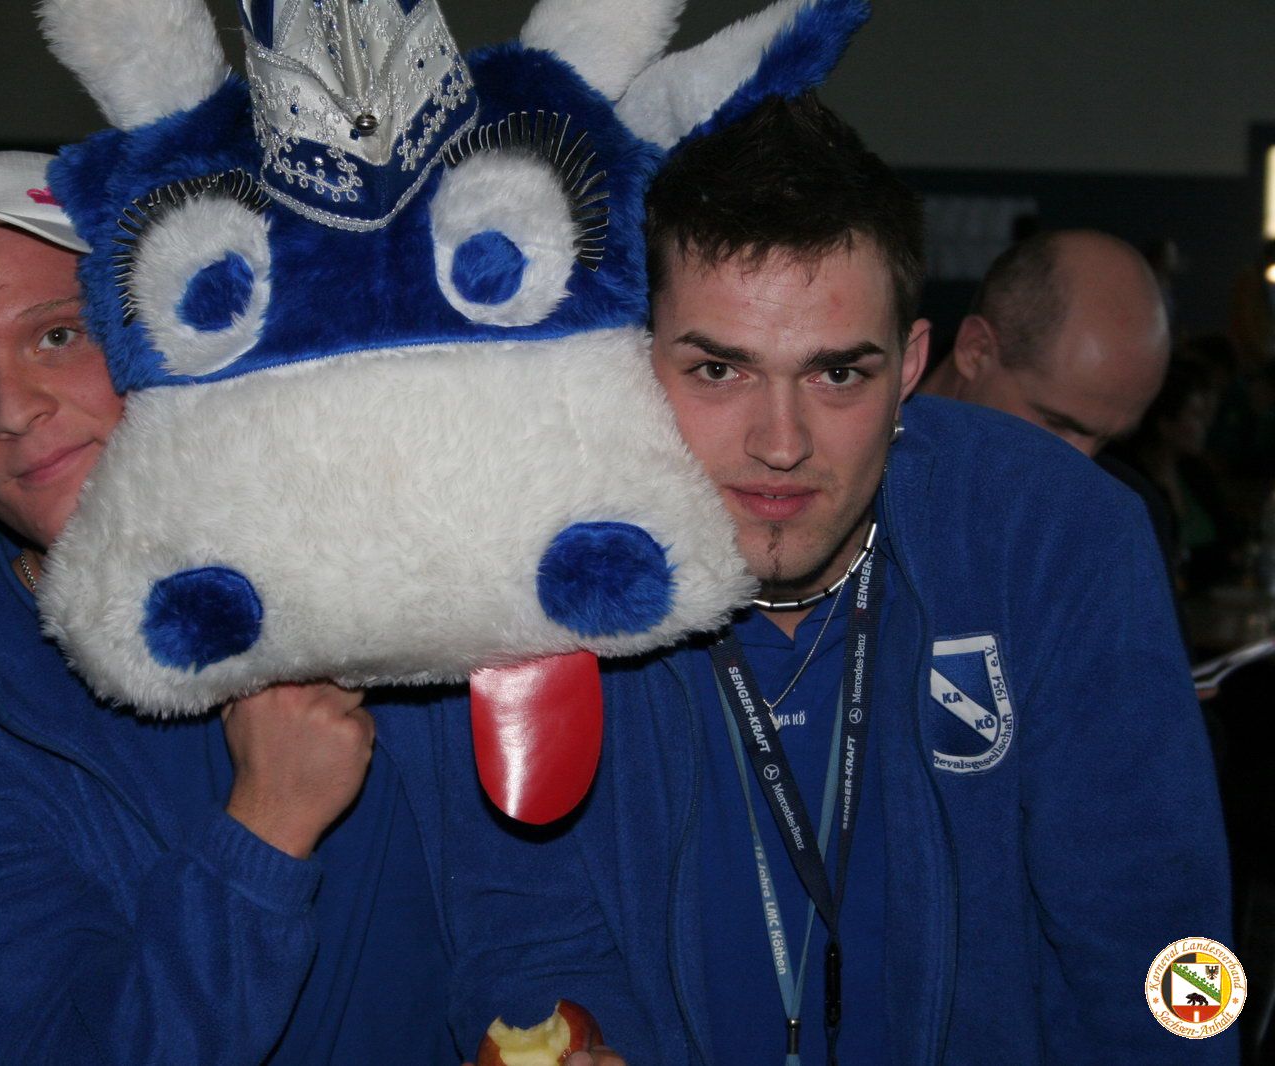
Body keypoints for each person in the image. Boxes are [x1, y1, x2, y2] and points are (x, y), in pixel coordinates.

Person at [398, 95, 1234, 1064]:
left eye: (838, 375)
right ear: (634, 358)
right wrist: (571, 1032)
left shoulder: (1057, 537)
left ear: (911, 366)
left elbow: (1169, 938)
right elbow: (514, 921)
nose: (781, 443)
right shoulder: (538, 574)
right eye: (720, 371)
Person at [0, 150, 456, 1064]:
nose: (10, 409)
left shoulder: (397, 580)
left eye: (56, 335)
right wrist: (265, 830)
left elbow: (536, 905)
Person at [921, 229, 1170, 458]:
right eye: (1057, 423)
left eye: (1107, 441)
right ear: (976, 350)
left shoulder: (1119, 492)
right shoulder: (895, 476)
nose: (1082, 465)